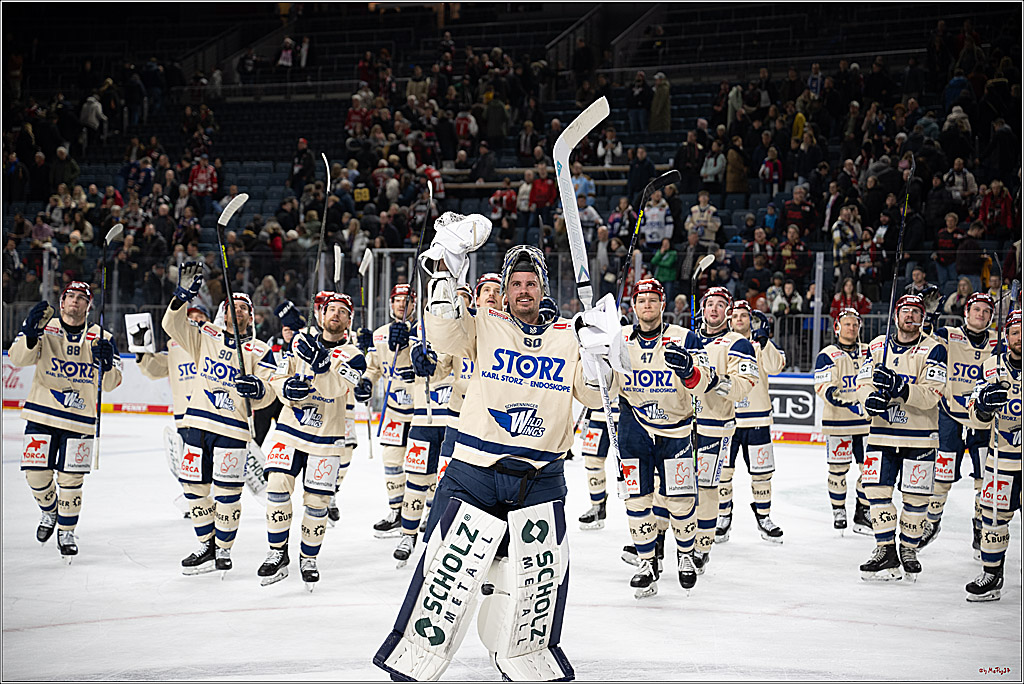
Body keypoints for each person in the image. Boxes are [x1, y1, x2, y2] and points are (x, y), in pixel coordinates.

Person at [375, 238, 608, 681]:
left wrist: (604, 355)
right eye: (515, 284)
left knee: (534, 579)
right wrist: (448, 270)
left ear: (543, 289)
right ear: (504, 290)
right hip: (475, 473)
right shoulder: (485, 322)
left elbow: (594, 393)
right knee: (445, 569)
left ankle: (520, 658)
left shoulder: (569, 336)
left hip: (540, 478)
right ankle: (415, 659)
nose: (524, 291)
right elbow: (444, 332)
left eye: (531, 283)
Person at [162, 264, 277, 575]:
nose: (237, 311)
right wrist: (182, 296)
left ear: (251, 318)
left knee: (228, 495)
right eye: (232, 307)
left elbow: (270, 393)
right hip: (196, 425)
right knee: (194, 489)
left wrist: (258, 387)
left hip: (233, 431)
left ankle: (224, 549)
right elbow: (172, 325)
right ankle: (205, 544)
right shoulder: (205, 336)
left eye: (243, 308)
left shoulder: (259, 350)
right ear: (223, 313)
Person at [610, 278, 715, 598]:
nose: (647, 305)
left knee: (681, 498)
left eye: (653, 300)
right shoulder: (619, 339)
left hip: (677, 429)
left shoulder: (685, 338)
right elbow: (601, 379)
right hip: (633, 426)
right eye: (641, 300)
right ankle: (646, 562)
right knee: (637, 498)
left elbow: (706, 383)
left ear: (663, 304)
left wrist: (689, 371)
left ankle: (685, 555)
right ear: (633, 306)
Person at [256, 292, 365, 590]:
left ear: (349, 321)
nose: (336, 315)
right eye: (332, 309)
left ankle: (308, 558)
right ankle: (277, 554)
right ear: (320, 315)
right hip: (289, 431)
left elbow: (336, 388)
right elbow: (278, 378)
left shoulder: (355, 355)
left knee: (317, 504)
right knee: (277, 487)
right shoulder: (300, 344)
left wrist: (321, 365)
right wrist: (285, 389)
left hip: (327, 439)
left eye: (343, 312)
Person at [9, 282, 122, 561]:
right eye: (70, 296)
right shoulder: (44, 328)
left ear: (89, 306)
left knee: (71, 482)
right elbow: (17, 358)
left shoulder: (102, 336)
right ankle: (49, 511)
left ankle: (67, 532)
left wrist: (105, 365)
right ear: (61, 303)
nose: (75, 301)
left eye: (82, 298)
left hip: (80, 421)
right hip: (41, 414)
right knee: (36, 475)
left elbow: (110, 384)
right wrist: (29, 333)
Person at [857, 294, 946, 581]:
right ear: (895, 316)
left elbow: (932, 393)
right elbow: (863, 382)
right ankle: (885, 549)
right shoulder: (876, 346)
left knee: (916, 499)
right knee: (875, 492)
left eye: (916, 312)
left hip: (920, 437)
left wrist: (900, 387)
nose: (910, 316)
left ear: (923, 318)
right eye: (905, 311)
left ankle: (908, 549)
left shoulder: (935, 349)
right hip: (882, 434)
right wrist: (869, 401)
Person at [920, 293, 997, 552]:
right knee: (941, 475)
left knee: (984, 478)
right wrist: (929, 316)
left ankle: (980, 526)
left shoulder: (999, 341)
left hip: (983, 419)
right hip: (950, 413)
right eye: (977, 309)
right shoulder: (949, 334)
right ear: (966, 312)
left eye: (987, 311)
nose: (981, 314)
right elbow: (925, 339)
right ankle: (932, 521)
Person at [692, 287, 760, 573]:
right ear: (703, 308)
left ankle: (702, 546)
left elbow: (744, 386)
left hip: (715, 427)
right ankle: (667, 541)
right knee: (673, 487)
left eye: (721, 305)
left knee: (707, 488)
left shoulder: (738, 343)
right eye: (710, 304)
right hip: (681, 426)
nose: (715, 310)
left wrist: (710, 381)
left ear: (729, 312)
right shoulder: (689, 338)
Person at [962, 309, 1021, 601]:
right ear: (1007, 337)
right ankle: (992, 574)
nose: (1020, 337)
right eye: (1014, 332)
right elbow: (974, 414)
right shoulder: (991, 366)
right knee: (993, 518)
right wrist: (985, 405)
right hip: (1002, 458)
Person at [717, 300, 786, 544]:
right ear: (729, 320)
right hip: (726, 419)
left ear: (750, 319)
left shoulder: (760, 345)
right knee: (723, 473)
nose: (739, 319)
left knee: (762, 473)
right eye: (734, 315)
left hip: (757, 418)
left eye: (744, 315)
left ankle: (764, 517)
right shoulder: (722, 345)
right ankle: (722, 517)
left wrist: (766, 341)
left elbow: (777, 367)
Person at [136, 303, 212, 517]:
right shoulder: (174, 345)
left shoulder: (214, 343)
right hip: (185, 416)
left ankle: (210, 501)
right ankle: (195, 501)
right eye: (192, 317)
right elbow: (154, 369)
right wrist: (141, 351)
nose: (196, 320)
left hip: (212, 414)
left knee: (211, 462)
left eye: (200, 316)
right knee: (191, 463)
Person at [390, 328, 455, 567]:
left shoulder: (472, 327)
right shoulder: (422, 329)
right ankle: (407, 535)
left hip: (457, 422)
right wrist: (403, 349)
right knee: (416, 481)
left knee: (450, 486)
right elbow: (403, 373)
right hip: (423, 420)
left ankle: (445, 541)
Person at [359, 284, 418, 537]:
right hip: (393, 410)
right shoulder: (380, 335)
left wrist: (409, 342)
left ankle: (421, 512)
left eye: (407, 300)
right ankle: (396, 511)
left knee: (420, 464)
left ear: (414, 304)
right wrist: (365, 382)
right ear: (391, 304)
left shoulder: (425, 331)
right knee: (392, 462)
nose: (401, 304)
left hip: (421, 411)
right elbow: (373, 368)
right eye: (397, 300)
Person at [813, 308, 872, 533]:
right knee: (838, 470)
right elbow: (824, 387)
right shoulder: (827, 354)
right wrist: (847, 402)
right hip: (838, 422)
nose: (852, 328)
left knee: (870, 470)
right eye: (847, 324)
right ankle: (839, 510)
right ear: (837, 328)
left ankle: (862, 511)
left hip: (867, 423)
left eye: (856, 324)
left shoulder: (870, 351)